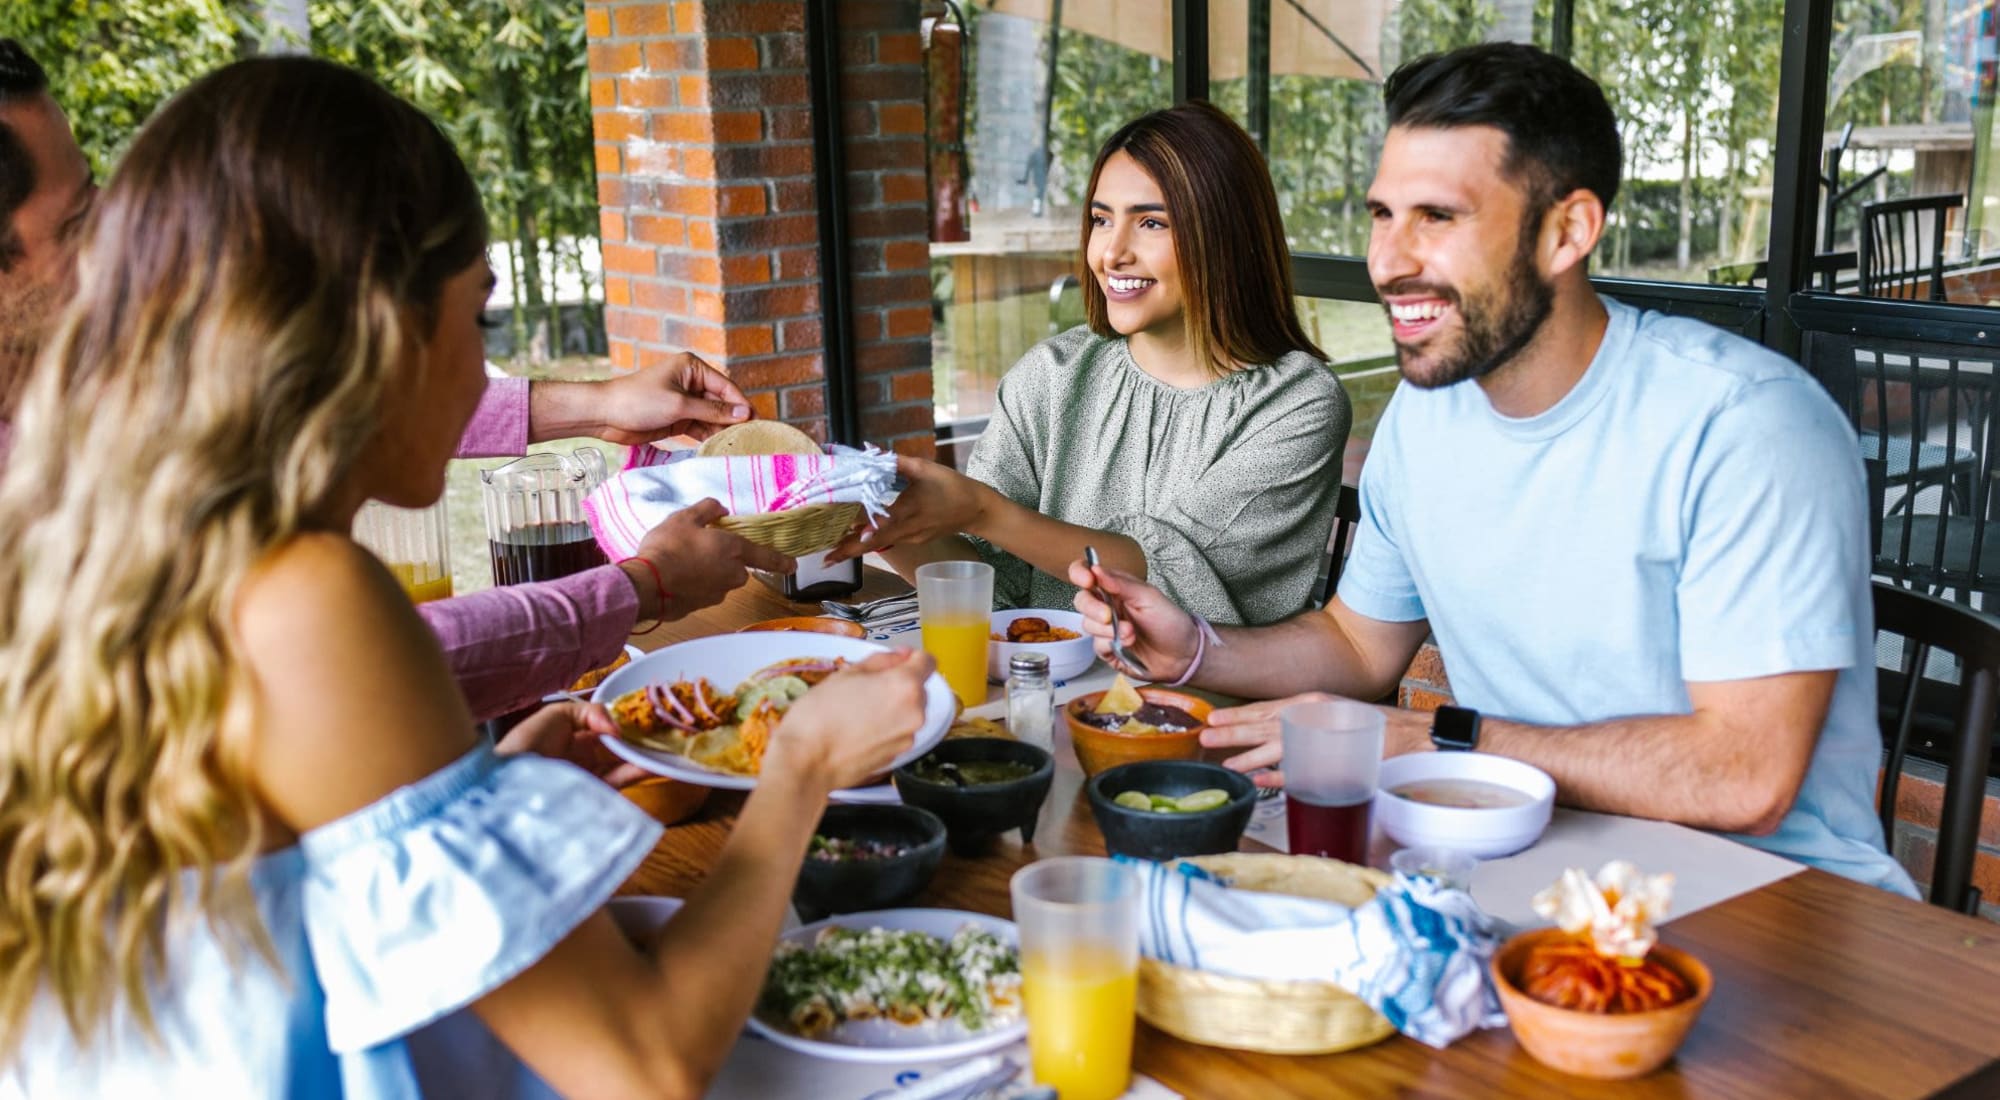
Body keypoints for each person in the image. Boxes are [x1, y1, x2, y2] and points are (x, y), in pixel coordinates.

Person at [0, 56, 933, 1097]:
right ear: (377, 325)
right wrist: (801, 758)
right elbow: (645, 1059)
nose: (484, 372)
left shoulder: (128, 544)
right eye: (480, 317)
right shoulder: (304, 592)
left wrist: (487, 799)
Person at [1072, 44, 1913, 895]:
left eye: (1437, 217)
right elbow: (1359, 647)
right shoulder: (1427, 416)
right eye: (1381, 215)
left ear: (1566, 231)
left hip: (1780, 902)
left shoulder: (1747, 424)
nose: (1390, 261)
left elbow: (1745, 777)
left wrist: (1440, 741)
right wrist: (1195, 649)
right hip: (1526, 866)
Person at [0, 37, 788, 719]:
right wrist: (639, 589)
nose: (113, 251)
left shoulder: (85, 397)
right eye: (75, 226)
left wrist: (598, 407)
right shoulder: (310, 596)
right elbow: (369, 673)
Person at [827, 103, 1350, 627]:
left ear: (1225, 236)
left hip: (1210, 701)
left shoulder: (1296, 404)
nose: (1111, 253)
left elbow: (1171, 588)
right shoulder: (1053, 376)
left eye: (1150, 222)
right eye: (1102, 219)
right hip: (1053, 686)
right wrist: (873, 518)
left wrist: (981, 509)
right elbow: (994, 585)